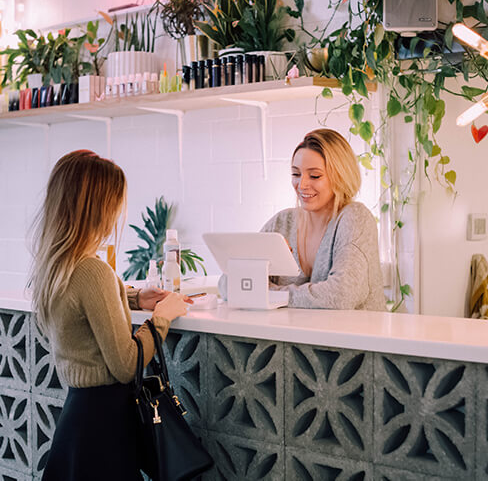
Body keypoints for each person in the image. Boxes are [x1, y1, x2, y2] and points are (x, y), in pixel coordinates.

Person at [30, 150, 191, 481]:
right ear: (100, 207)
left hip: (78, 418)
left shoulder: (56, 265)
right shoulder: (93, 271)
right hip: (104, 426)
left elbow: (81, 305)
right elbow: (125, 365)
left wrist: (131, 297)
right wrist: (162, 317)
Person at [222, 128, 385, 310]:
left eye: (314, 176)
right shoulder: (282, 223)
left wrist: (271, 295)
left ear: (341, 176)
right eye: (296, 174)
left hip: (351, 336)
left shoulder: (355, 218)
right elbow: (228, 284)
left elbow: (341, 295)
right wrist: (263, 268)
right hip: (295, 335)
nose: (302, 184)